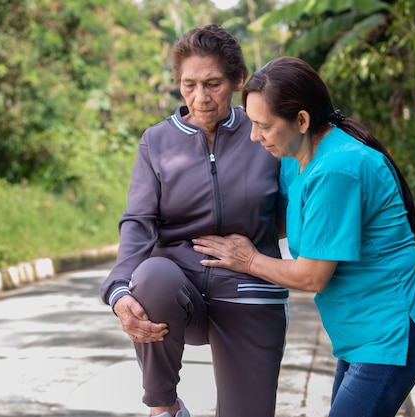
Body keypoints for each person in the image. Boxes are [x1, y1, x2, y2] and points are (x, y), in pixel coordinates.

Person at [192, 56, 415, 417]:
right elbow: (296, 220)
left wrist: (250, 260)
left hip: (393, 328)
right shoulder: (297, 157)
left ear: (301, 120)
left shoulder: (338, 169)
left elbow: (312, 275)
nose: (255, 136)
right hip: (361, 329)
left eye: (264, 126)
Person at [100, 25, 289, 417]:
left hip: (248, 294)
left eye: (213, 84)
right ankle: (164, 407)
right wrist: (118, 291)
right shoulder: (156, 141)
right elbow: (138, 220)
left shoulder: (265, 135)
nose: (200, 98)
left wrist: (257, 256)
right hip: (177, 290)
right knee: (152, 276)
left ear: (238, 80)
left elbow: (296, 211)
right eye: (189, 85)